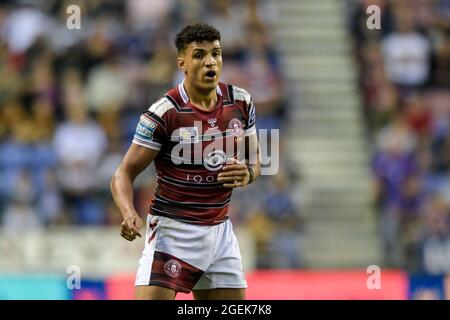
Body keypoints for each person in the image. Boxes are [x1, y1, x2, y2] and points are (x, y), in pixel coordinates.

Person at [110, 23, 261, 300]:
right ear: (182, 62)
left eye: (216, 53)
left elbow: (255, 160)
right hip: (174, 233)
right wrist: (128, 212)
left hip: (221, 232)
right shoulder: (163, 113)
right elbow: (123, 173)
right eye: (199, 55)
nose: (210, 62)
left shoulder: (241, 102)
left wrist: (248, 173)